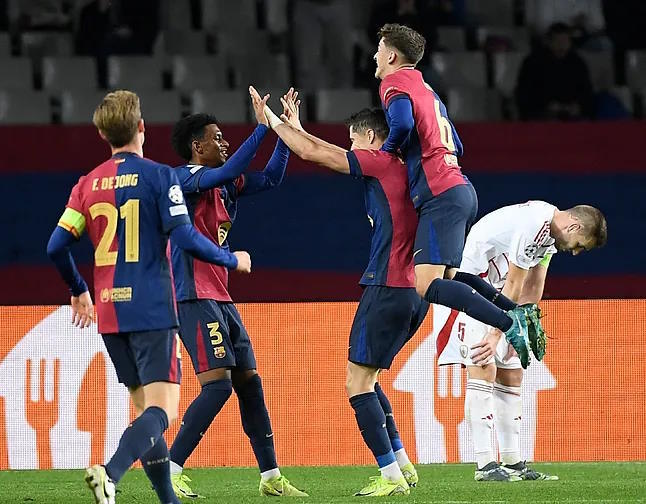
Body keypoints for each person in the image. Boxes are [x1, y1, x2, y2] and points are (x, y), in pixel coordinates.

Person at [46, 90, 251, 504]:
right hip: (153, 308)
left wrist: (78, 290)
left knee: (146, 414)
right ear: (141, 128)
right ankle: (110, 473)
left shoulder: (86, 185)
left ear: (103, 133)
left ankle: (168, 500)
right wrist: (231, 259)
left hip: (109, 311)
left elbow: (55, 247)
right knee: (163, 411)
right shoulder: (160, 177)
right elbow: (186, 236)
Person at [260, 87, 425, 497]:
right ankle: (403, 464)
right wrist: (296, 127)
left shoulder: (382, 161)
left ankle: (389, 476)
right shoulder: (404, 167)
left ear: (370, 138)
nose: (349, 146)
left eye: (353, 138)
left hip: (388, 285)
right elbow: (320, 147)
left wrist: (273, 123)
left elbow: (316, 154)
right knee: (368, 378)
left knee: (357, 382)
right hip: (414, 291)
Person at [166, 92, 307, 499]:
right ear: (197, 147)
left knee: (250, 384)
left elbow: (272, 178)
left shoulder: (227, 184)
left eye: (226, 137)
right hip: (192, 294)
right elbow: (228, 169)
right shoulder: (184, 179)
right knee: (217, 386)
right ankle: (170, 469)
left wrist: (285, 131)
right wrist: (262, 125)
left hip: (221, 297)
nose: (224, 142)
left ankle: (270, 476)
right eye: (217, 137)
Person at [372, 23, 531, 363]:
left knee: (426, 286)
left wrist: (387, 155)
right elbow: (456, 142)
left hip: (440, 196)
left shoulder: (393, 82)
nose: (375, 56)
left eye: (379, 49)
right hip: (459, 187)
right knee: (450, 278)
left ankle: (507, 323)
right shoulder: (427, 89)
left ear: (391, 55)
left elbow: (400, 125)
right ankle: (513, 310)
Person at [434, 201, 607, 481]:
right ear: (574, 226)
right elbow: (515, 283)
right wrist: (497, 332)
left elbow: (534, 283)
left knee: (513, 375)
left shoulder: (550, 237)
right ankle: (485, 464)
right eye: (580, 244)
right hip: (471, 290)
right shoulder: (534, 226)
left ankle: (513, 463)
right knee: (484, 366)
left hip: (497, 295)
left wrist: (524, 322)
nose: (576, 251)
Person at [516, 23, 594, 120]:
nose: (562, 45)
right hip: (541, 113)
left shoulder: (577, 63)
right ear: (549, 42)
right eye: (558, 41)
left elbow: (586, 90)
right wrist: (546, 105)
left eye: (565, 41)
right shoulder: (533, 62)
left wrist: (578, 106)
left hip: (572, 113)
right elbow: (525, 93)